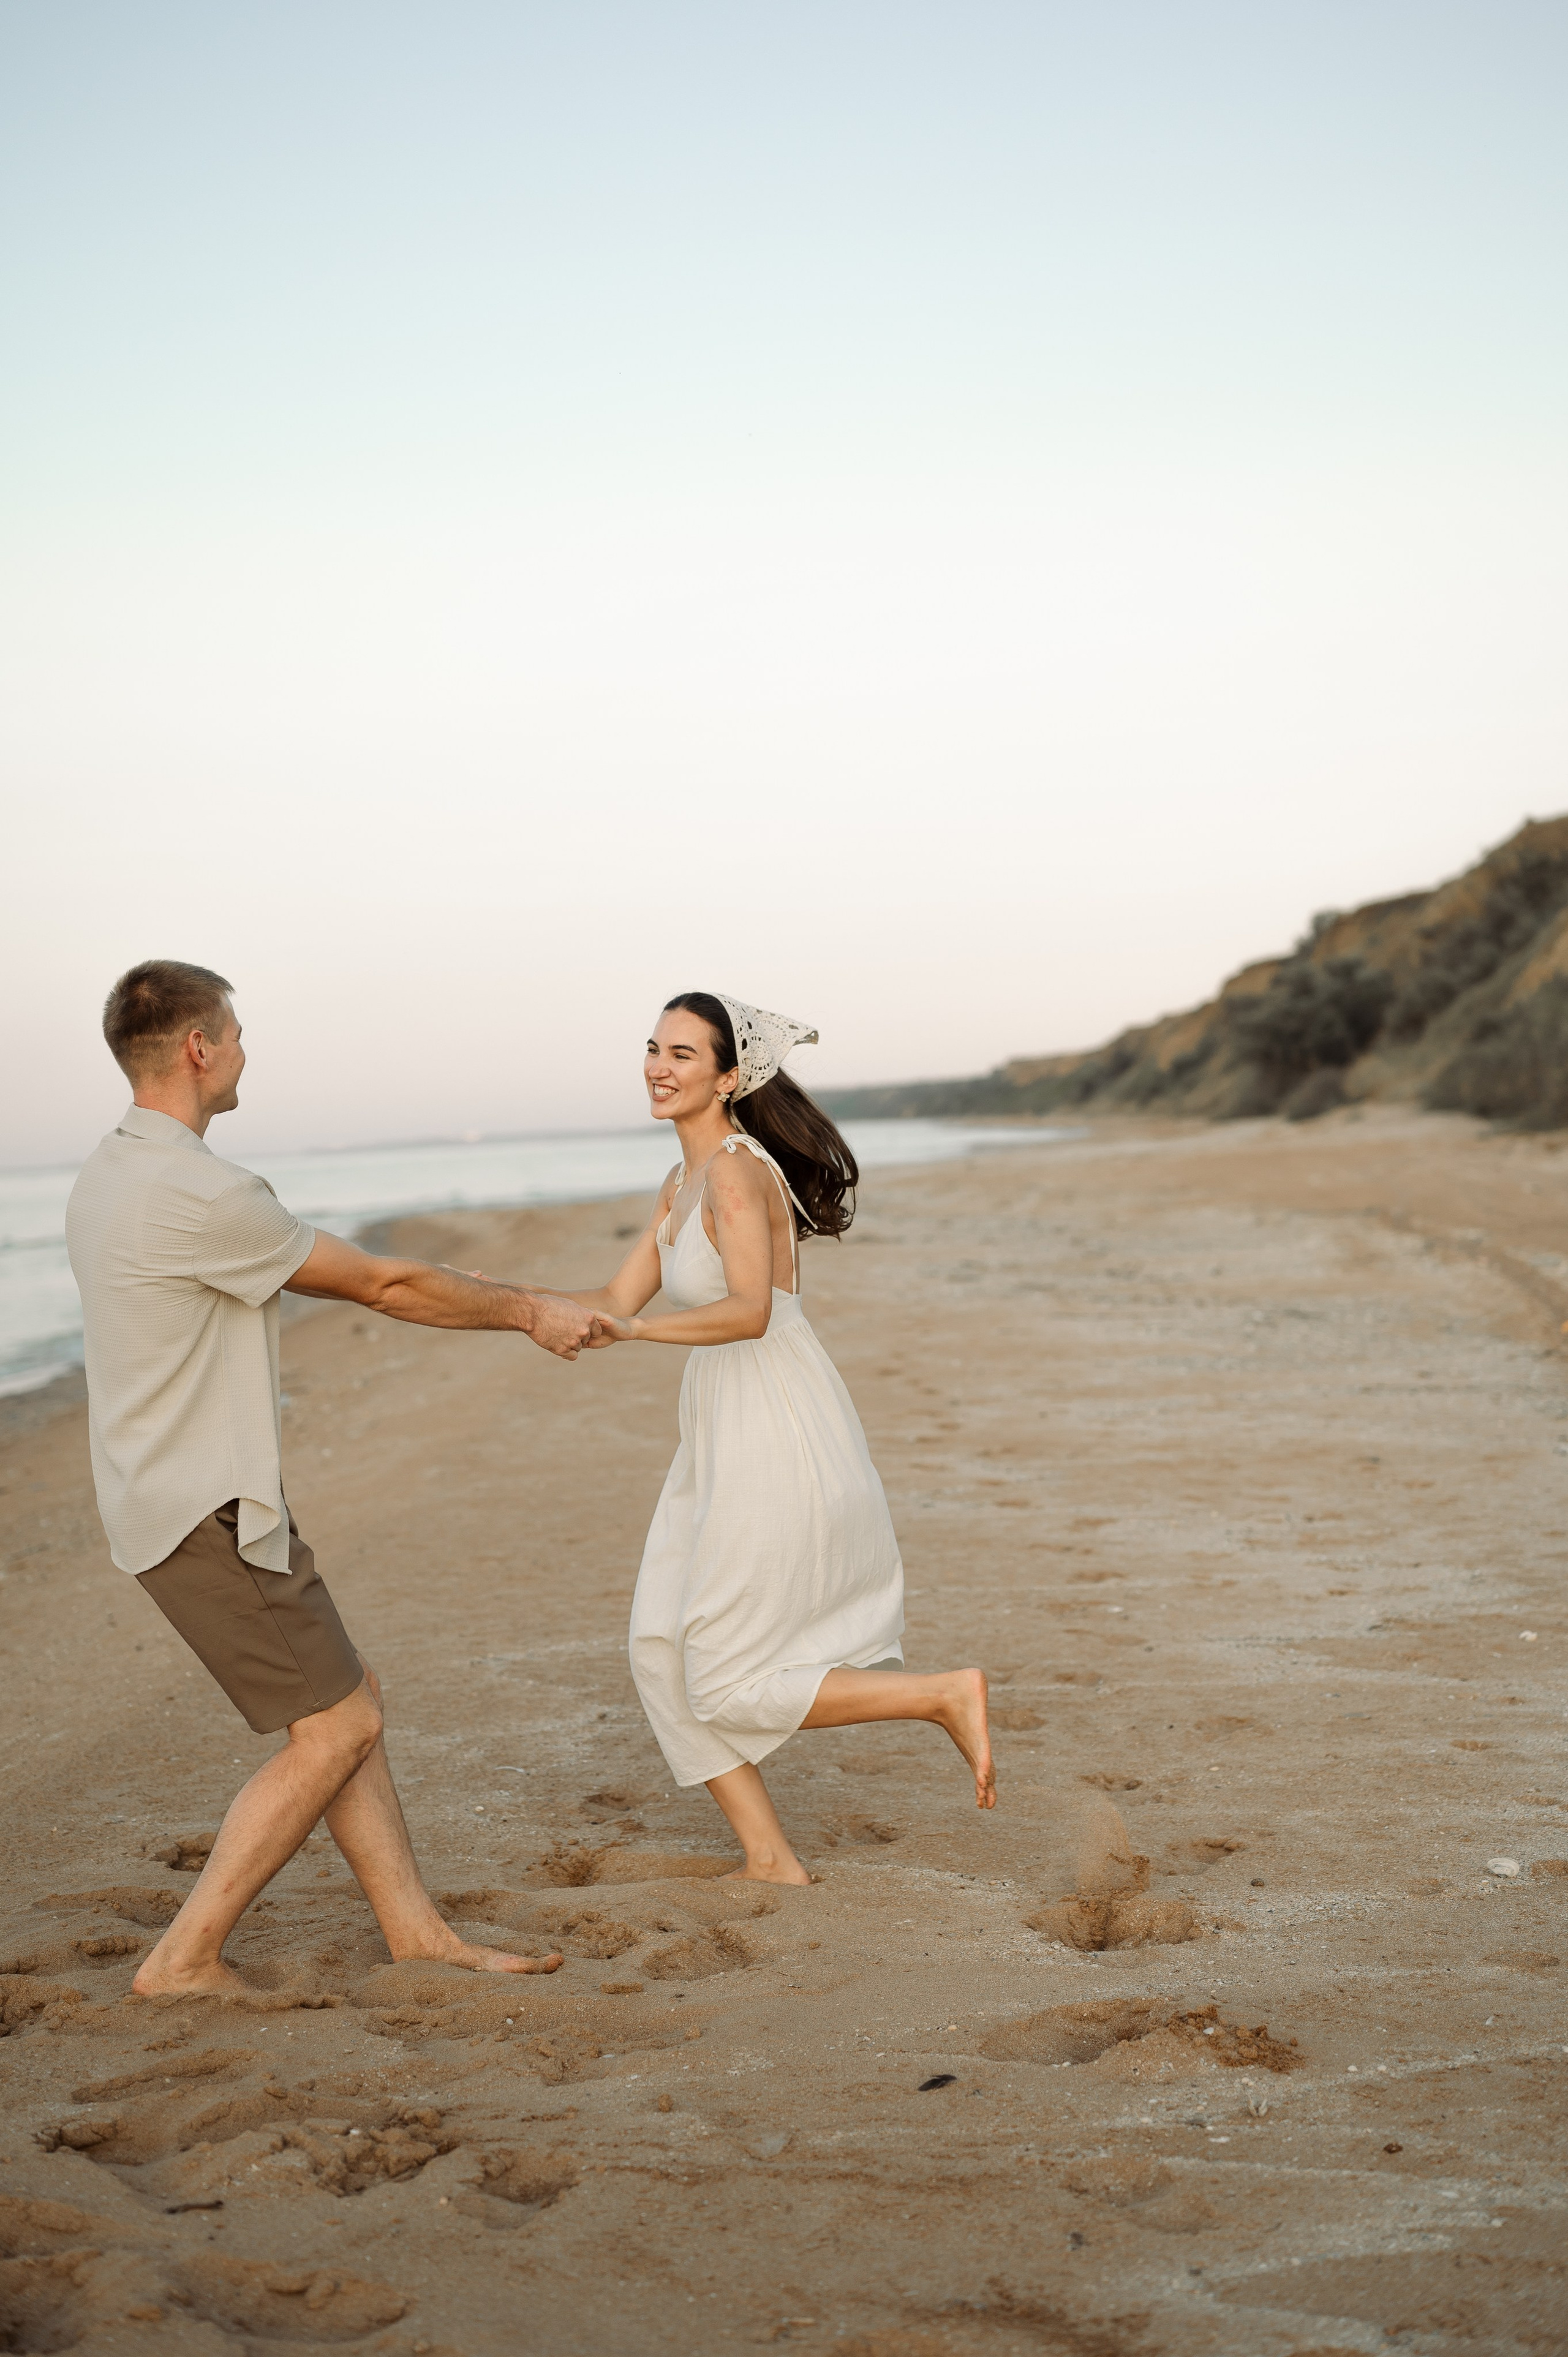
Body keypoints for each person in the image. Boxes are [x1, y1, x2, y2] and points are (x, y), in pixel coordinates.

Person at [67, 959, 603, 1997]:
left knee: (347, 1701)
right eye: (235, 1032)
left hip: (179, 1491)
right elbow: (380, 1283)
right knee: (340, 1725)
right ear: (198, 1049)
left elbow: (338, 1270)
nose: (244, 1050)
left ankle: (415, 1933)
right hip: (203, 1507)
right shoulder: (199, 1188)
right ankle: (183, 1958)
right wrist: (530, 1312)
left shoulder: (111, 1172)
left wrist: (483, 1288)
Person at [564, 991, 995, 1885]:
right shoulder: (680, 1184)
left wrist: (638, 1336)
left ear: (729, 1077)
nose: (658, 1065)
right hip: (718, 1427)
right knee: (658, 1648)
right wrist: (499, 1303)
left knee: (722, 1675)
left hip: (775, 1424)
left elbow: (751, 1311)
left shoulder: (732, 1172)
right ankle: (769, 1860)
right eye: (653, 1047)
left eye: (684, 1054)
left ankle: (940, 1695)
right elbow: (610, 1303)